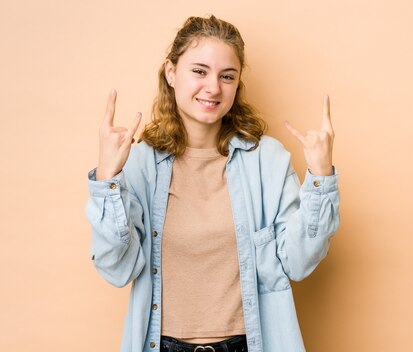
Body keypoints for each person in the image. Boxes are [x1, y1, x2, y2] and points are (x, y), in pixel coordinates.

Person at [85, 15, 339, 352]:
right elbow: (117, 269)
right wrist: (107, 180)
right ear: (171, 72)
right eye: (199, 71)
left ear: (237, 84)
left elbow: (298, 262)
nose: (214, 87)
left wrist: (320, 178)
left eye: (227, 76)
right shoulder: (138, 163)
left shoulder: (268, 160)